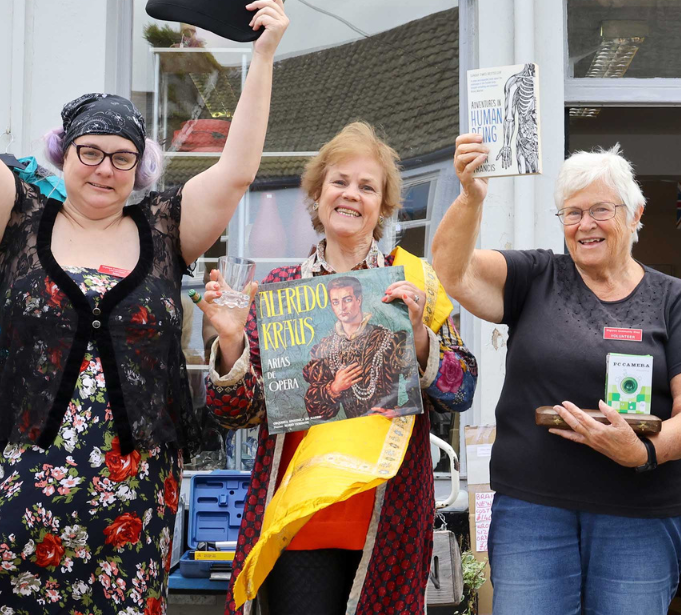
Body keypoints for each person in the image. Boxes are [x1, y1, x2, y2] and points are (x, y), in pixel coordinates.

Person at [0, 0, 287, 615]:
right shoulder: (19, 220)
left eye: (122, 157)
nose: (105, 168)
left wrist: (260, 59)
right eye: (90, 151)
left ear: (139, 169)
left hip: (131, 502)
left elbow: (235, 170)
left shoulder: (165, 231)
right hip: (20, 490)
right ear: (65, 154)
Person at [431, 141, 681, 615]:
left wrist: (643, 451)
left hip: (640, 517)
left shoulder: (675, 299)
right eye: (572, 213)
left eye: (600, 210)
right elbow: (451, 271)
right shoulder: (535, 277)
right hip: (533, 512)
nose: (585, 225)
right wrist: (470, 197)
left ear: (635, 214)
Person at [201, 121, 477, 615]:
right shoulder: (279, 290)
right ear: (318, 194)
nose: (351, 195)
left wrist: (418, 337)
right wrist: (230, 340)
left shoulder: (415, 283)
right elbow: (234, 412)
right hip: (299, 519)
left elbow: (462, 390)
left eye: (367, 187)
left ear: (384, 205)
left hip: (388, 520)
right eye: (340, 182)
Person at [303, 275, 415, 420]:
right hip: (346, 436)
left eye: (347, 299)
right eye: (335, 302)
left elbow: (417, 389)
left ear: (358, 300)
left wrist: (401, 411)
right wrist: (334, 388)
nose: (342, 307)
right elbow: (316, 412)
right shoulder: (325, 348)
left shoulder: (389, 340)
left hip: (386, 431)